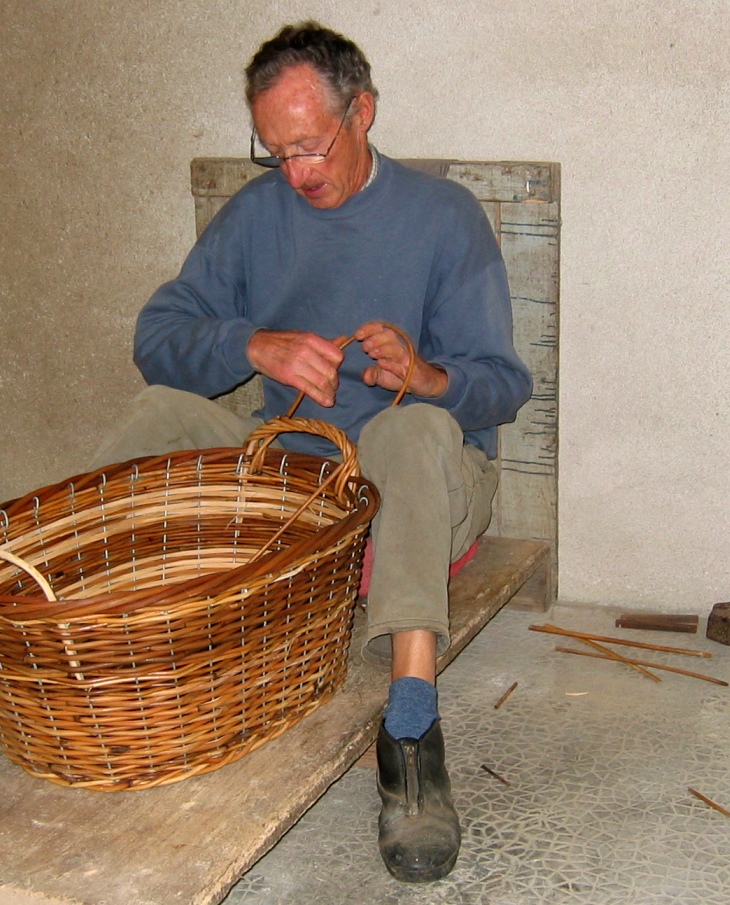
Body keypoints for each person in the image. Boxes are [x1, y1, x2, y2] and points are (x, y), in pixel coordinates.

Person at [86, 22, 531, 883]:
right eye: (276, 151)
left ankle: (410, 730)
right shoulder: (258, 215)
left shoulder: (445, 218)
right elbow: (158, 336)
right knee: (160, 411)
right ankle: (34, 613)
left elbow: (504, 384)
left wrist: (429, 373)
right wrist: (255, 346)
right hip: (294, 473)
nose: (297, 173)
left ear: (361, 111)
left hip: (427, 484)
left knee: (404, 428)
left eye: (311, 146)